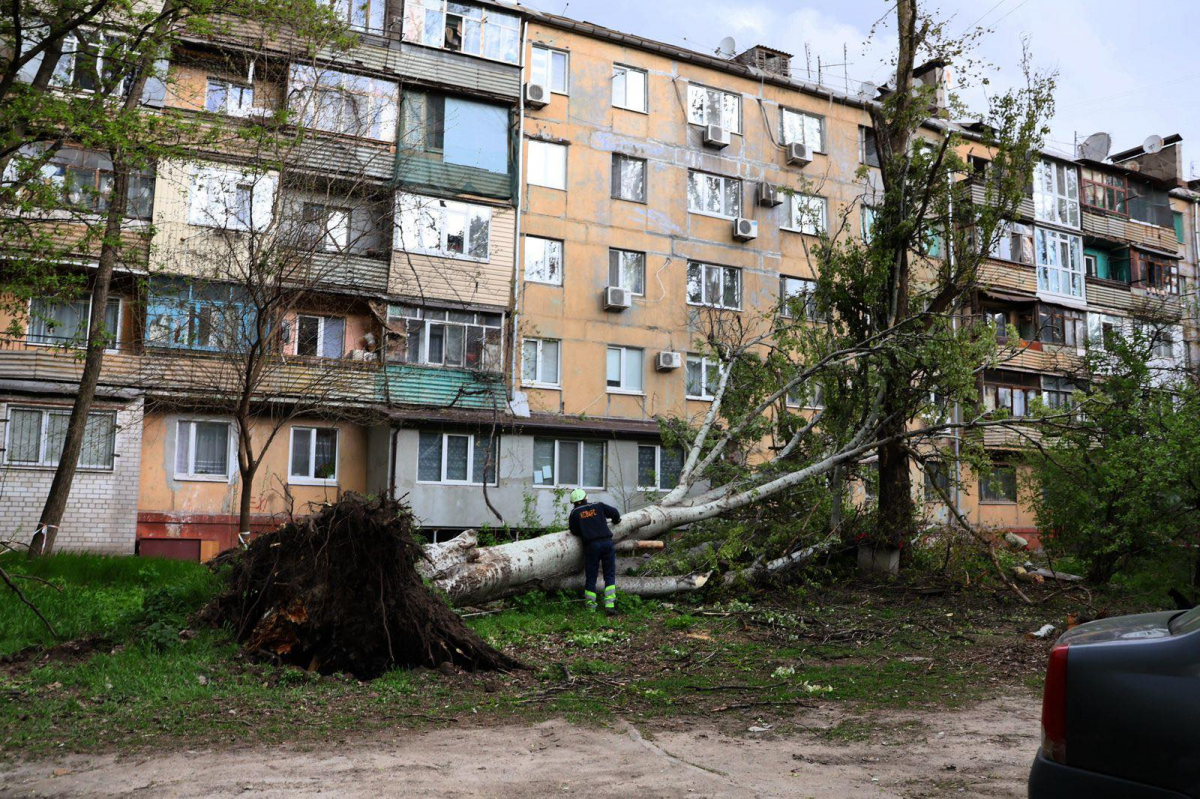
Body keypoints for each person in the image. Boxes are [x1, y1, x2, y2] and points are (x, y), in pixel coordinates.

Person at [567, 488, 621, 614]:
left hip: (592, 546)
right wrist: (616, 521)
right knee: (609, 574)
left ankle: (591, 607)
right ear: (586, 498)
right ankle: (610, 605)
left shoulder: (575, 513)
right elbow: (615, 513)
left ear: (574, 502)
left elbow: (574, 531)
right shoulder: (598, 505)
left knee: (591, 576)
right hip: (607, 543)